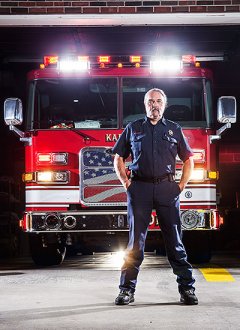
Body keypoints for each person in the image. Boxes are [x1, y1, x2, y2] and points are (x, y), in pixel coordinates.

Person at [112, 88, 198, 306]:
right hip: (139, 188)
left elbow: (188, 159)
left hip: (167, 189)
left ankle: (187, 289)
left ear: (164, 105)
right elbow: (118, 157)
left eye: (159, 101)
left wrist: (180, 186)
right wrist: (126, 183)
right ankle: (126, 291)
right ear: (145, 104)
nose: (155, 105)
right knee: (135, 244)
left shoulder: (174, 129)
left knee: (175, 241)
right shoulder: (133, 128)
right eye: (151, 101)